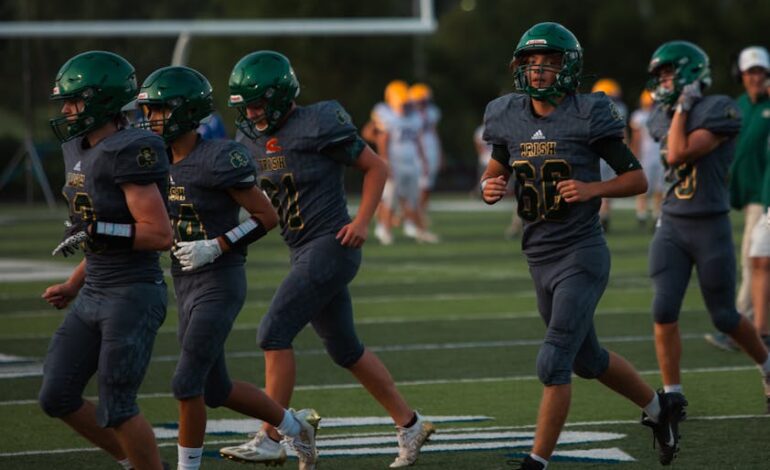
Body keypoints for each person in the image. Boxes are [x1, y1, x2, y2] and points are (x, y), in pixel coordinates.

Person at [480, 23, 685, 469]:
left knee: (553, 362)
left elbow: (637, 179)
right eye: (533, 62)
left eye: (550, 62)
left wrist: (592, 190)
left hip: (581, 253)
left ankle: (536, 462)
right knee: (587, 359)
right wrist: (489, 187)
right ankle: (658, 408)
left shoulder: (589, 112)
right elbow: (496, 170)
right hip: (538, 256)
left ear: (567, 67)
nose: (539, 71)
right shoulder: (505, 114)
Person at [221, 50, 435, 469]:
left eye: (258, 103)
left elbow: (376, 167)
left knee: (273, 332)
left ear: (281, 95)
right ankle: (410, 424)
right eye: (245, 105)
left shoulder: (318, 122)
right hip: (301, 249)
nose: (251, 113)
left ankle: (273, 434)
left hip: (333, 244)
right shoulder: (247, 139)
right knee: (345, 348)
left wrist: (362, 221)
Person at [136, 65, 319, 470]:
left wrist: (217, 245)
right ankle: (295, 426)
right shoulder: (152, 161)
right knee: (216, 388)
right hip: (184, 281)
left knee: (186, 384)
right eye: (148, 111)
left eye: (159, 111)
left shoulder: (218, 157)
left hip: (220, 280)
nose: (150, 120)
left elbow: (267, 216)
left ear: (185, 112)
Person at [39, 50, 173, 470]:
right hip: (95, 288)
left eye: (74, 101)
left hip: (132, 293)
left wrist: (98, 232)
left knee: (117, 405)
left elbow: (159, 233)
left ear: (101, 100)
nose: (65, 110)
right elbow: (95, 229)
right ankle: (133, 461)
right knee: (56, 395)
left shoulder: (130, 148)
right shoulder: (77, 146)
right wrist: (74, 283)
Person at [645, 40, 770, 416]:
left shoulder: (722, 109)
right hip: (672, 224)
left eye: (668, 73)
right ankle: (673, 393)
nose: (663, 82)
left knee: (725, 316)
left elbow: (681, 151)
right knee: (663, 309)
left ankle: (767, 366)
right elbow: (671, 145)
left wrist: (684, 107)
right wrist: (679, 106)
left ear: (688, 72)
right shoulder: (661, 114)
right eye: (661, 75)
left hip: (710, 225)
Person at [704, 46, 770, 352]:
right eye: (751, 72)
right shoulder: (740, 105)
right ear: (740, 75)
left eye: (761, 71)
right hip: (749, 195)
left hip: (764, 195)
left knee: (752, 258)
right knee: (754, 259)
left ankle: (740, 326)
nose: (757, 77)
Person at [591, 78, 629, 233]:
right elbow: (623, 132)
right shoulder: (620, 108)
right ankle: (605, 215)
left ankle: (599, 216)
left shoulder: (593, 108)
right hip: (614, 151)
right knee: (608, 185)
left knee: (596, 184)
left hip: (598, 151)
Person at [409, 83, 443, 236]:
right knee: (420, 186)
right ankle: (414, 218)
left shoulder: (432, 112)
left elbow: (434, 132)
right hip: (417, 152)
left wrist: (440, 152)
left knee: (427, 185)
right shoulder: (409, 114)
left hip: (431, 149)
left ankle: (420, 213)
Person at [629, 90, 663, 228]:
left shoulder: (661, 114)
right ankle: (641, 214)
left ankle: (656, 214)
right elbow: (636, 139)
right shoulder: (639, 116)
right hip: (646, 156)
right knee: (644, 187)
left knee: (659, 188)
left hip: (659, 155)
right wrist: (634, 155)